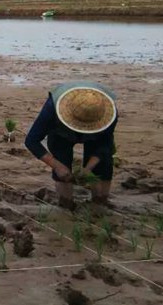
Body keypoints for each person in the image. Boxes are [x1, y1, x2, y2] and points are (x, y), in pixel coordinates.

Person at [24, 82, 118, 210]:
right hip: (61, 133)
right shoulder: (52, 109)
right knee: (61, 157)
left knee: (104, 161)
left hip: (96, 135)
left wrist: (88, 169)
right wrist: (56, 165)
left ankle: (100, 201)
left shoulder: (108, 114)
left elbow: (105, 144)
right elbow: (31, 140)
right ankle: (66, 203)